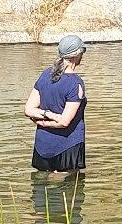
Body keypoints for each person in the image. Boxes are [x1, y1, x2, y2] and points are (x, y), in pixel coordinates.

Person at [25, 34, 88, 173]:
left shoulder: (45, 74)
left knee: (41, 190)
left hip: (42, 145)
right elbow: (64, 122)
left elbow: (29, 109)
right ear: (78, 55)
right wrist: (53, 118)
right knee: (70, 188)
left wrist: (45, 117)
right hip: (68, 145)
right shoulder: (75, 83)